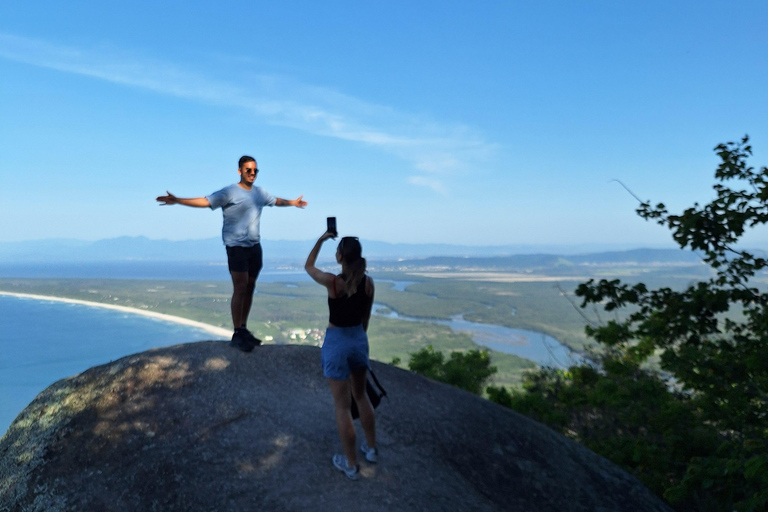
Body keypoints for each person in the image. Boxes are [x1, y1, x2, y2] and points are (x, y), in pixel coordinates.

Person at [157, 155, 307, 351]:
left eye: (255, 170)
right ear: (240, 171)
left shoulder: (260, 193)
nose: (252, 173)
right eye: (248, 170)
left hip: (255, 247)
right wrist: (178, 200)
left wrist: (293, 203)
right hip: (236, 248)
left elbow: (276, 201)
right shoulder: (229, 192)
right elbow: (205, 201)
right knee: (240, 287)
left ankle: (243, 328)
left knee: (250, 287)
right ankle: (237, 332)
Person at [305, 232, 377, 481]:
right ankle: (372, 449)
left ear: (339, 258)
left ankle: (351, 465)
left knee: (343, 407)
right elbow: (365, 317)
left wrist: (322, 239)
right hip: (358, 339)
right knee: (361, 395)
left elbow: (308, 266)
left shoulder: (334, 282)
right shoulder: (368, 284)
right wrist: (359, 340)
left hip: (337, 343)